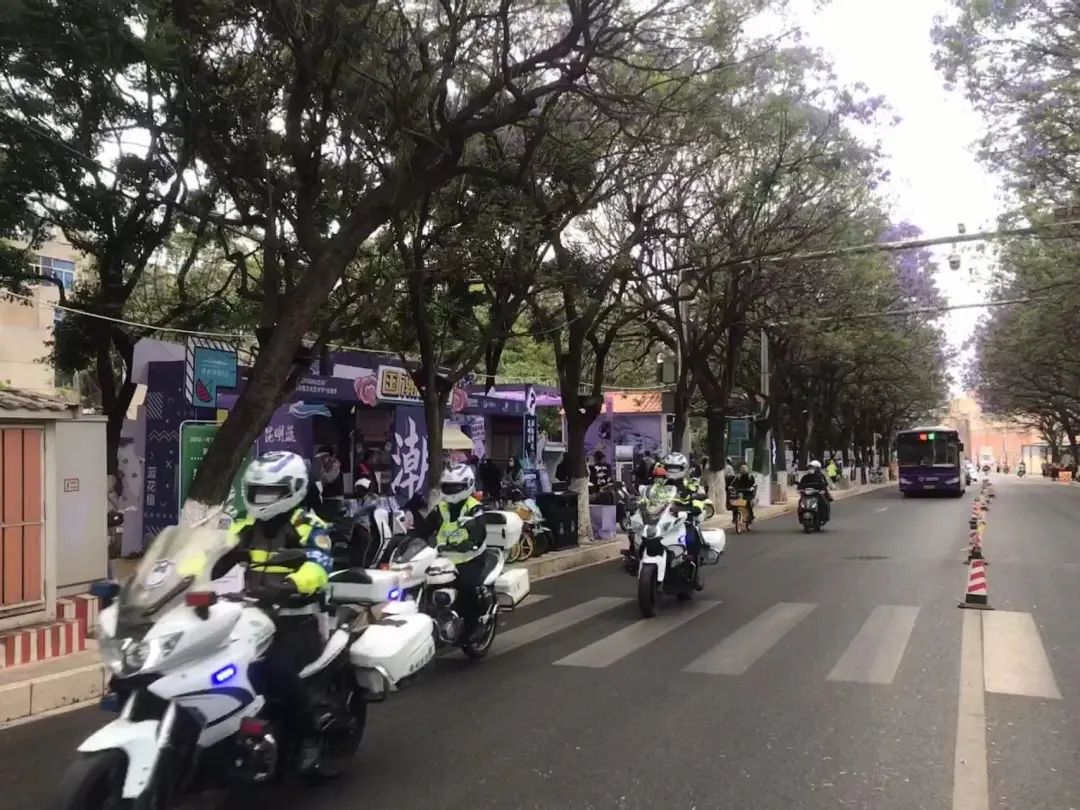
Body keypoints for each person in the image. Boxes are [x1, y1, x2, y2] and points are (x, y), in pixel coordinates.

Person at [214, 451, 333, 773]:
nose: (261, 498)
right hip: (251, 619)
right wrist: (188, 570)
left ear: (293, 490)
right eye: (257, 491)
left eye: (270, 492)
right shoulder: (246, 526)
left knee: (276, 669)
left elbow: (319, 567)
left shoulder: (310, 527)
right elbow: (212, 555)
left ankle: (310, 734)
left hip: (298, 620)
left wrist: (290, 584)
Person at [409, 464, 492, 640]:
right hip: (443, 557)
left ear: (468, 485)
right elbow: (425, 529)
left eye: (456, 487)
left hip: (470, 557)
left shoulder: (474, 507)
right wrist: (409, 538)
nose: (451, 490)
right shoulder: (441, 507)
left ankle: (473, 626)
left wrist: (471, 541)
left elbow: (480, 531)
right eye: (448, 486)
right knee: (421, 582)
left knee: (467, 588)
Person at [656, 452, 708, 587]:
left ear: (683, 468)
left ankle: (695, 573)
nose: (673, 470)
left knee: (691, 538)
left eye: (676, 467)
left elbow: (700, 498)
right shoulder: (658, 485)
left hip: (683, 519)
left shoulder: (690, 484)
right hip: (662, 519)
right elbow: (647, 497)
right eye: (670, 467)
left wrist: (693, 506)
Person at [728, 461, 757, 527]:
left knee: (748, 504)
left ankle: (751, 516)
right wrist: (731, 486)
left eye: (744, 468)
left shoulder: (750, 476)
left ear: (747, 468)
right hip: (738, 493)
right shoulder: (737, 476)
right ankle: (734, 518)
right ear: (740, 469)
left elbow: (754, 484)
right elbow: (732, 484)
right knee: (734, 505)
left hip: (748, 493)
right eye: (742, 468)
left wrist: (752, 487)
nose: (743, 469)